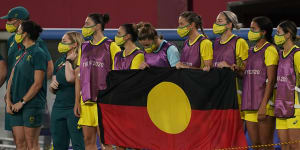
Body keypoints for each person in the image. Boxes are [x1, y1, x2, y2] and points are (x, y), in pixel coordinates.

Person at [1, 6, 53, 136]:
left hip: (29, 100)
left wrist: (34, 87)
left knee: (30, 141)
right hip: (13, 97)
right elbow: (12, 70)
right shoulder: (12, 40)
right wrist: (9, 93)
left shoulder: (36, 43)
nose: (7, 23)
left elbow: (50, 68)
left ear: (19, 21)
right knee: (18, 141)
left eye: (10, 20)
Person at [74, 13, 121, 150]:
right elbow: (79, 76)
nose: (84, 27)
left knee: (106, 143)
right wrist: (77, 101)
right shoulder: (83, 47)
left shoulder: (111, 46)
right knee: (88, 141)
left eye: (87, 24)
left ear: (98, 26)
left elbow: (118, 76)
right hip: (86, 101)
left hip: (103, 102)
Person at [5, 21, 47, 150]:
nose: (16, 33)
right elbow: (11, 76)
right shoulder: (20, 52)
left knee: (32, 143)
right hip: (14, 105)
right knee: (19, 143)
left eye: (18, 31)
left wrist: (22, 102)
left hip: (31, 105)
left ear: (25, 34)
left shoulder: (38, 53)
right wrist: (8, 101)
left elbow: (38, 83)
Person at [242, 16, 278, 147]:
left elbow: (271, 79)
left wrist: (264, 105)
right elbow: (246, 75)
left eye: (253, 29)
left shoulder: (270, 50)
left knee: (266, 145)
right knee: (256, 145)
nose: (250, 32)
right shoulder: (250, 51)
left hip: (264, 104)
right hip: (249, 103)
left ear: (263, 32)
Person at [49, 31, 85, 150]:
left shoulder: (81, 60)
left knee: (78, 145)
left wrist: (69, 62)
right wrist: (52, 86)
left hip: (75, 108)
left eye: (64, 41)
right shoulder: (59, 61)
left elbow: (70, 79)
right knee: (58, 145)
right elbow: (53, 85)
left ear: (74, 44)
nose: (61, 44)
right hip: (58, 108)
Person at [212, 11, 249, 119]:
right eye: (216, 21)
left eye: (219, 21)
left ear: (229, 24)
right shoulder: (215, 43)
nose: (215, 24)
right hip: (218, 94)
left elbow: (248, 72)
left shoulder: (239, 42)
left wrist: (231, 67)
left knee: (236, 133)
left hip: (235, 96)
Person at [274, 20, 300, 150]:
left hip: (295, 107)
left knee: (295, 146)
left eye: (278, 33)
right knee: (285, 147)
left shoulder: (297, 54)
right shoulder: (279, 55)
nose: (275, 36)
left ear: (288, 34)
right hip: (280, 106)